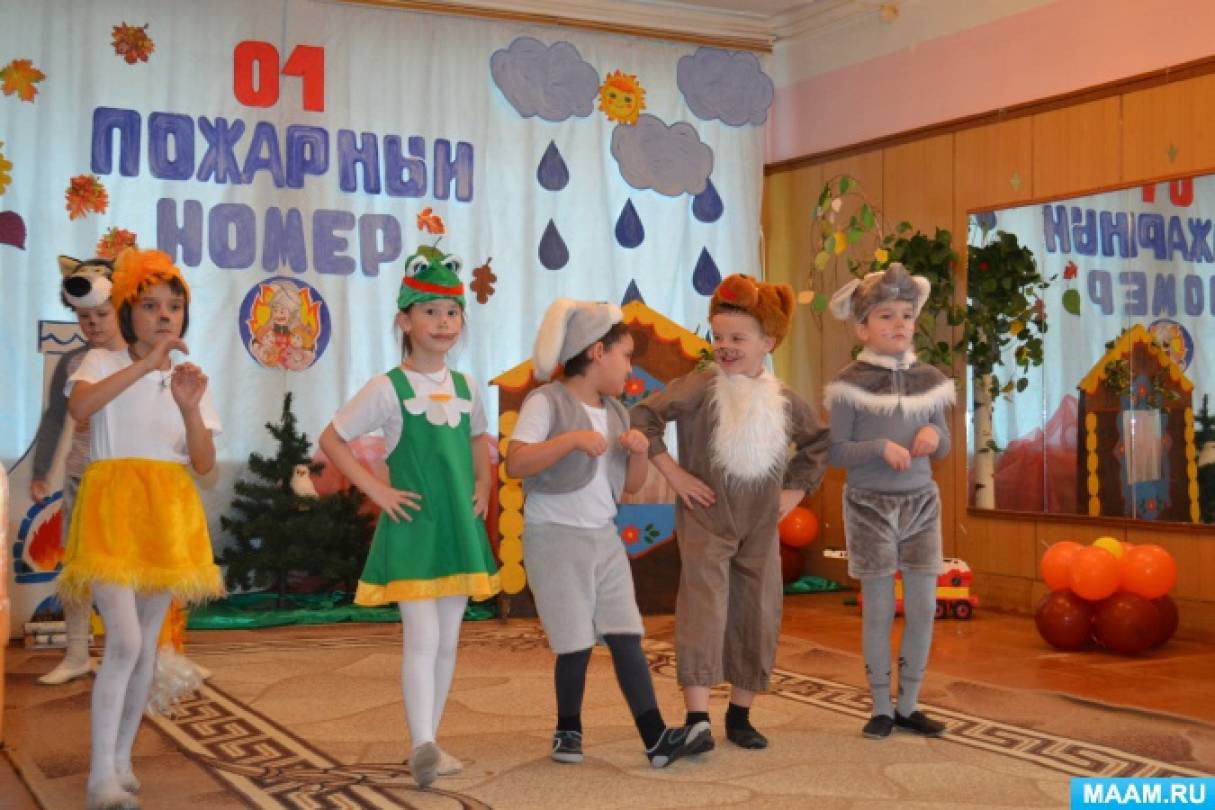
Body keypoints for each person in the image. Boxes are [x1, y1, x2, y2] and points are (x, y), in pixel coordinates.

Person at [318, 231, 500, 788]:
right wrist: (377, 491)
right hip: (415, 526)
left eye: (452, 312)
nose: (443, 322)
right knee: (422, 636)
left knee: (448, 639)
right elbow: (332, 439)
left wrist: (484, 484)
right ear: (405, 320)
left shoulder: (467, 386)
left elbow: (478, 439)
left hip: (458, 527)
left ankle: (431, 740)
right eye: (430, 311)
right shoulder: (388, 387)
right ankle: (421, 742)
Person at [506, 299, 710, 768]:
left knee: (626, 634)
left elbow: (631, 486)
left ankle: (655, 739)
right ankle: (568, 729)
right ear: (597, 352)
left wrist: (638, 453)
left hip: (604, 538)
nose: (630, 367)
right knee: (574, 641)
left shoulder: (619, 412)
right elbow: (517, 462)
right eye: (626, 355)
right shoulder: (546, 401)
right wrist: (571, 440)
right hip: (554, 537)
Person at [631, 274, 830, 752]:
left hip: (760, 525)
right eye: (718, 337)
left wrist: (795, 491)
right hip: (707, 518)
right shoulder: (699, 387)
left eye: (737, 338)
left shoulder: (784, 400)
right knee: (702, 609)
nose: (724, 347)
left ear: (768, 342)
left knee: (757, 611)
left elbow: (819, 442)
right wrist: (674, 475)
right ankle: (697, 717)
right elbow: (643, 416)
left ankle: (740, 715)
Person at [60, 248, 224, 809]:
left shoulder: (191, 378)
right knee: (125, 640)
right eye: (150, 305)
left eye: (173, 306)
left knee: (147, 645)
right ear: (128, 312)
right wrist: (145, 364)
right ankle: (98, 777)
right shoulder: (101, 361)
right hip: (112, 510)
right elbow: (82, 409)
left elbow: (203, 462)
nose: (163, 315)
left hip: (166, 512)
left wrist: (189, 407)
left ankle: (120, 758)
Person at [825, 262, 955, 740]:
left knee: (923, 607)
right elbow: (836, 452)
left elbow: (943, 445)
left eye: (907, 315)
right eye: (886, 316)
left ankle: (909, 704)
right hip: (869, 507)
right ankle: (881, 705)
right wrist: (880, 448)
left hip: (921, 504)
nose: (899, 324)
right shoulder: (848, 385)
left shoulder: (931, 380)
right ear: (862, 327)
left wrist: (933, 435)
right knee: (879, 609)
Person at [30, 256, 124, 685]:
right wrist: (41, 471)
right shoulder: (72, 363)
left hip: (128, 482)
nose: (93, 323)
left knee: (135, 569)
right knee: (78, 568)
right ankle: (75, 653)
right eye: (84, 317)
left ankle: (151, 652)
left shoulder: (139, 360)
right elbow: (54, 417)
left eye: (102, 314)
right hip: (81, 478)